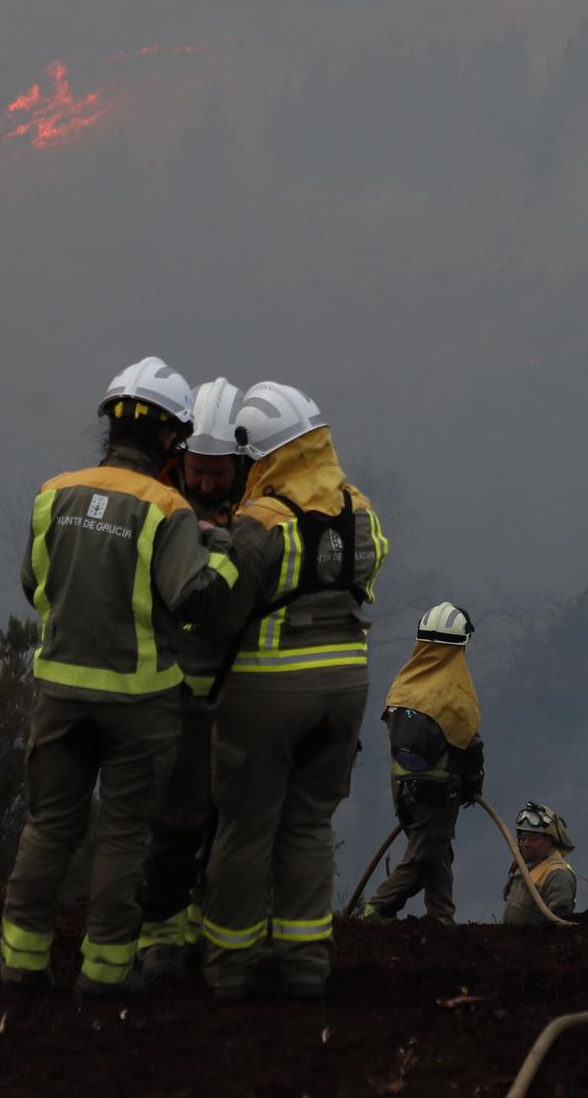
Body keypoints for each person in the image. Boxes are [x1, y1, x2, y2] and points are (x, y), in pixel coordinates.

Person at [0, 358, 242, 999]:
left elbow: (33, 583)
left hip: (59, 696)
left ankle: (20, 967)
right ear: (170, 439)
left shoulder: (55, 493)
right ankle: (103, 977)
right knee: (124, 834)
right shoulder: (168, 510)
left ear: (109, 427)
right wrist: (227, 556)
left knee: (48, 826)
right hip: (140, 704)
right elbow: (194, 600)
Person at [200, 382, 387, 1000]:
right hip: (347, 690)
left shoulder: (258, 526)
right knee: (308, 824)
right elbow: (372, 567)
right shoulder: (361, 510)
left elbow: (220, 614)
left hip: (268, 694)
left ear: (265, 456)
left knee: (246, 828)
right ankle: (306, 965)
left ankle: (230, 968)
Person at [136, 378, 248, 983]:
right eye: (195, 471)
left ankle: (206, 934)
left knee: (227, 830)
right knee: (173, 826)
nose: (204, 484)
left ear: (242, 463)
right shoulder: (160, 505)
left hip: (239, 698)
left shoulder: (258, 515)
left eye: (217, 473)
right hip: (174, 698)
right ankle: (159, 943)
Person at [358, 601, 485, 925]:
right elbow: (468, 745)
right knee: (423, 857)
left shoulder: (404, 683)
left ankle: (441, 917)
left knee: (438, 851)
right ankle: (374, 910)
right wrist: (473, 782)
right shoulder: (454, 694)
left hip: (401, 786)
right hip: (437, 790)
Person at [502, 803, 577, 926]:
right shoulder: (521, 867)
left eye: (533, 838)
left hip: (535, 944)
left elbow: (559, 925)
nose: (525, 843)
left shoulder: (558, 875)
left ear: (550, 840)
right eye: (522, 838)